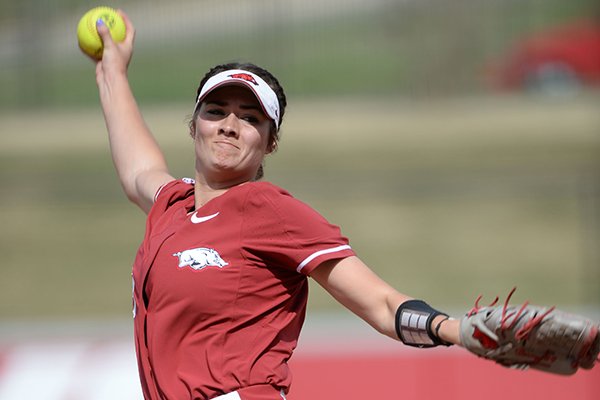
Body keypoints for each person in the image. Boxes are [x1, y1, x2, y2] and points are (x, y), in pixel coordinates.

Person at [92, 11, 597, 400]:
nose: (229, 123)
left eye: (250, 117)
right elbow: (137, 169)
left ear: (271, 143)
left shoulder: (268, 210)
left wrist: (456, 330)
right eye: (215, 110)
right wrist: (111, 69)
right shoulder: (172, 205)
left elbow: (378, 302)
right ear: (193, 124)